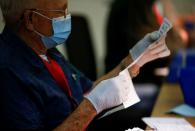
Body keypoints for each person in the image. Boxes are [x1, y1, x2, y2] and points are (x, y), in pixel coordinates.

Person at [0, 0, 170, 130]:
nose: (66, 16)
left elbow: (88, 90)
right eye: (61, 10)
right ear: (31, 19)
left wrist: (131, 60)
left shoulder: (46, 50)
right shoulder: (8, 71)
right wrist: (90, 107)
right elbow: (91, 101)